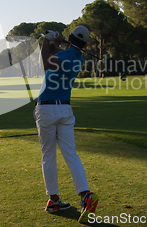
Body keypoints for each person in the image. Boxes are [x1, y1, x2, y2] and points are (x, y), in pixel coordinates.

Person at [33, 25, 99, 224]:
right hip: (65, 110)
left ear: (70, 37)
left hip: (46, 109)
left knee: (48, 156)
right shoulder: (77, 58)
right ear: (84, 44)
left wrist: (47, 40)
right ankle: (85, 195)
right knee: (71, 153)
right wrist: (54, 43)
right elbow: (54, 53)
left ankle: (54, 200)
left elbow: (45, 62)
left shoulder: (65, 57)